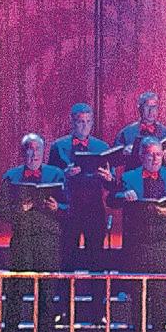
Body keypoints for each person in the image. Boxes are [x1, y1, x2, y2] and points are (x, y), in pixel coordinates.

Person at [47, 101, 114, 269]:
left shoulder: (102, 147)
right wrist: (65, 174)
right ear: (72, 122)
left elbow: (112, 184)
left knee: (96, 258)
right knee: (67, 256)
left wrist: (108, 178)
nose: (84, 126)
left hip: (94, 208)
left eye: (88, 121)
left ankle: (96, 288)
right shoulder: (59, 146)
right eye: (80, 121)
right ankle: (66, 287)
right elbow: (50, 180)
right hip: (69, 208)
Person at [109, 136, 166, 272]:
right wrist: (124, 196)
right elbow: (112, 200)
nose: (155, 159)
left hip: (162, 243)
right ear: (141, 156)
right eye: (151, 155)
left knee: (161, 284)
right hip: (135, 244)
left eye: (158, 154)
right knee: (135, 284)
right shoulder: (129, 177)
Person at [0, 133, 65, 271]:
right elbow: (1, 212)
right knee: (20, 281)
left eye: (38, 149)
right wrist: (20, 209)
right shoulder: (11, 177)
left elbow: (70, 208)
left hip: (48, 240)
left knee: (47, 282)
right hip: (22, 240)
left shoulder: (57, 175)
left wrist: (57, 207)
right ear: (23, 152)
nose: (34, 154)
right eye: (30, 149)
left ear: (43, 151)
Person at [115, 90, 166, 174]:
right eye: (147, 107)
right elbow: (114, 161)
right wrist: (124, 152)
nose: (151, 111)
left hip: (160, 179)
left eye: (154, 107)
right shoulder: (126, 133)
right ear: (139, 108)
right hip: (134, 178)